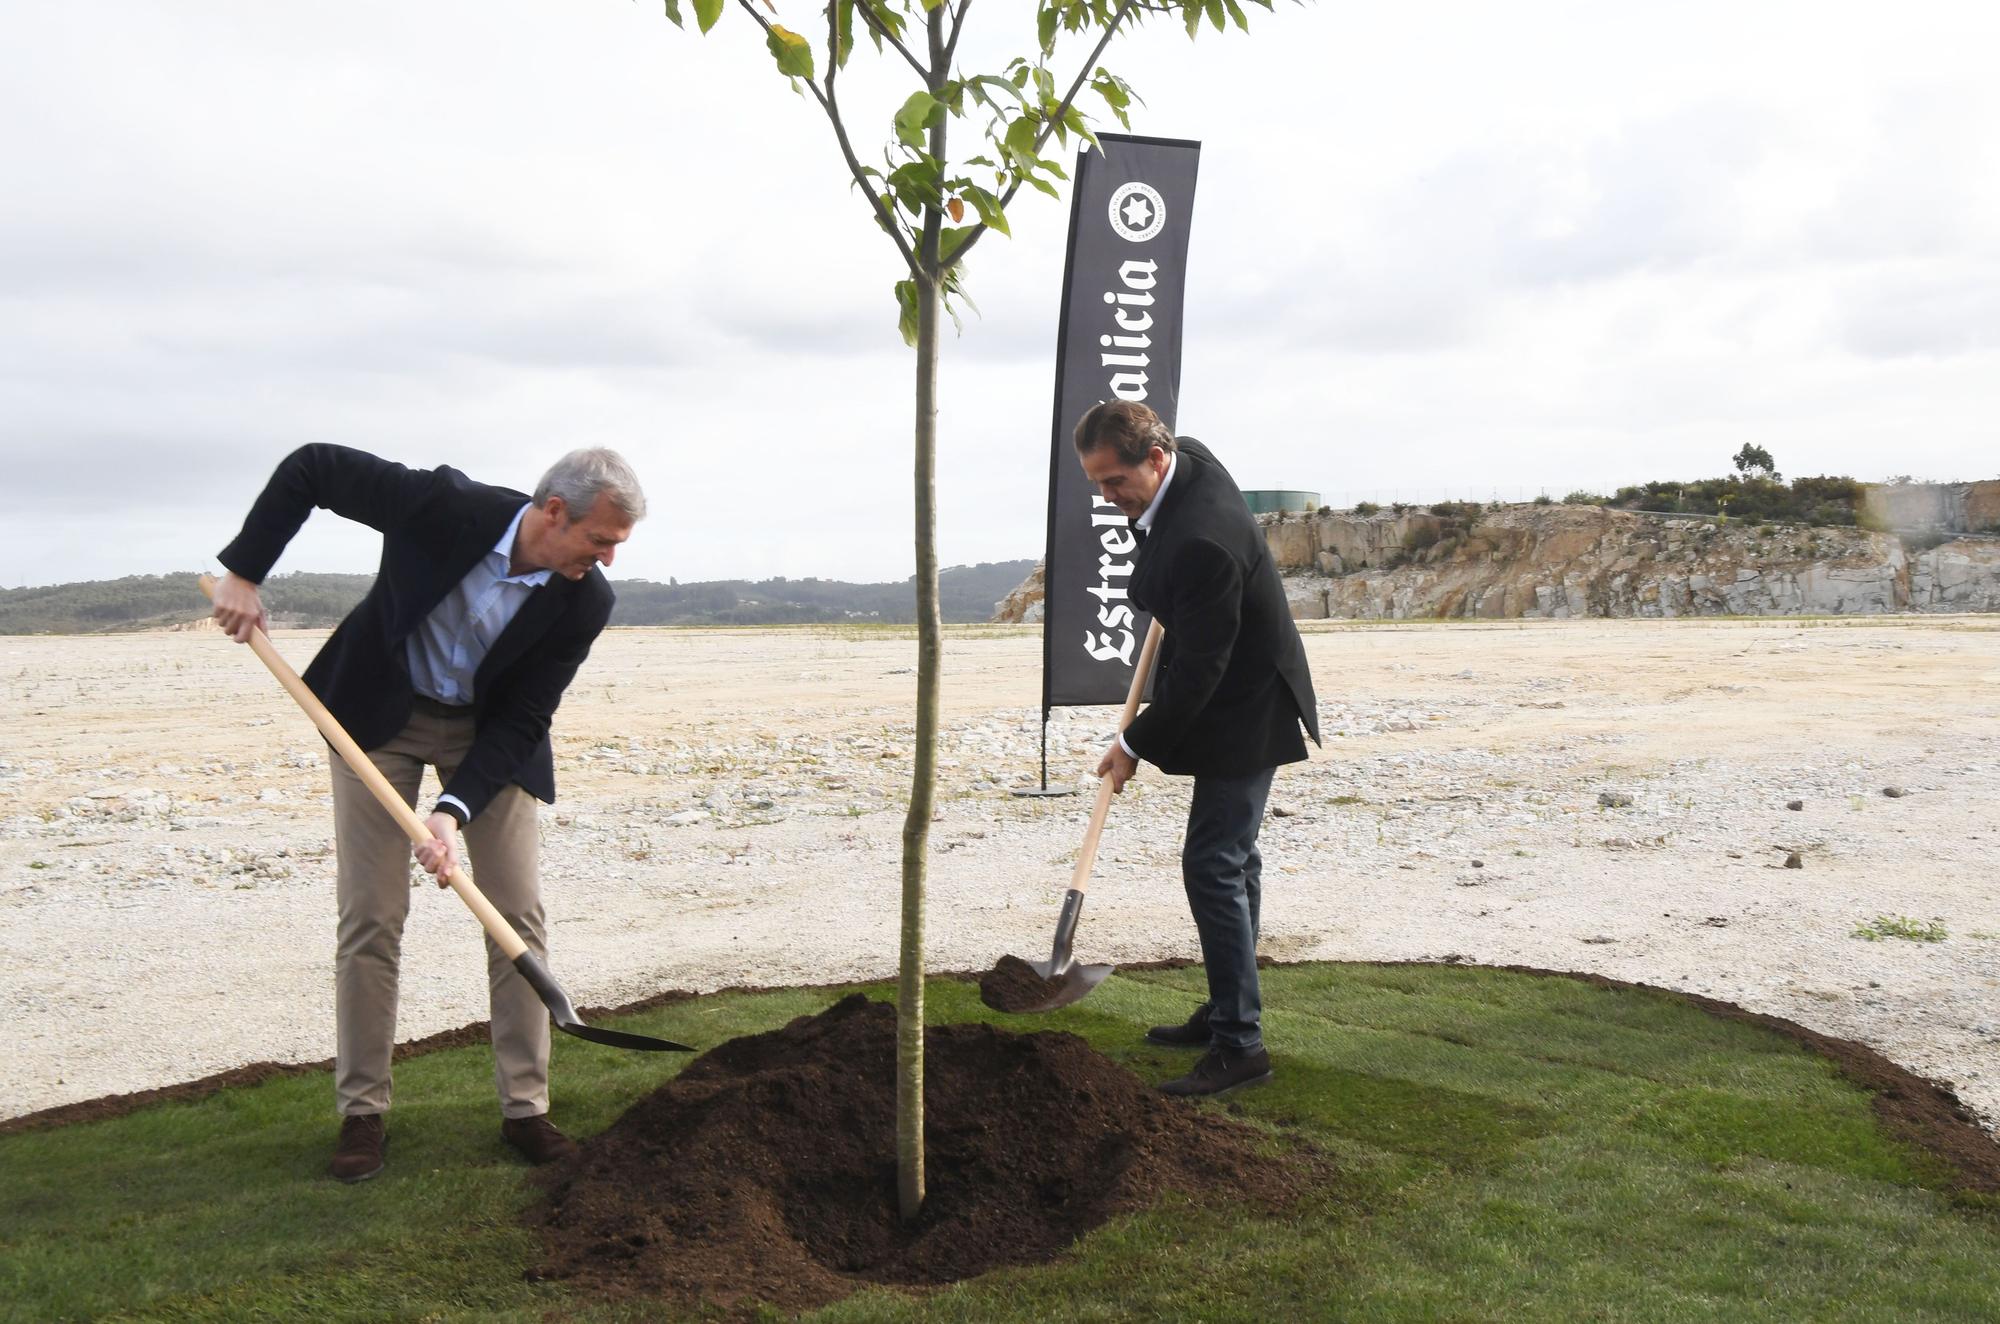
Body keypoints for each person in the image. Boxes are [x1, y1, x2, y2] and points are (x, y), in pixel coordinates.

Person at [210, 444, 643, 1181]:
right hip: (375, 718)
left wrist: (452, 811)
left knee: (515, 915)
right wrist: (245, 572)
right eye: (600, 541)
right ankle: (363, 1112)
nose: (606, 561)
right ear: (553, 512)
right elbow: (312, 468)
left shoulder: (584, 602)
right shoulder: (446, 507)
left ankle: (526, 1111)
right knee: (372, 915)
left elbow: (524, 717)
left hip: (487, 741)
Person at [1076, 400, 1319, 1097]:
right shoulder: (1191, 457)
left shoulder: (1201, 542)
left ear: (1155, 460)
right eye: (1095, 483)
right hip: (1229, 686)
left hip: (1246, 704)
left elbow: (1197, 675)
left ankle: (1241, 1045)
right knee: (1232, 860)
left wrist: (1131, 743)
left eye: (1114, 482)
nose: (1106, 497)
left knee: (1213, 863)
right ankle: (1225, 1010)